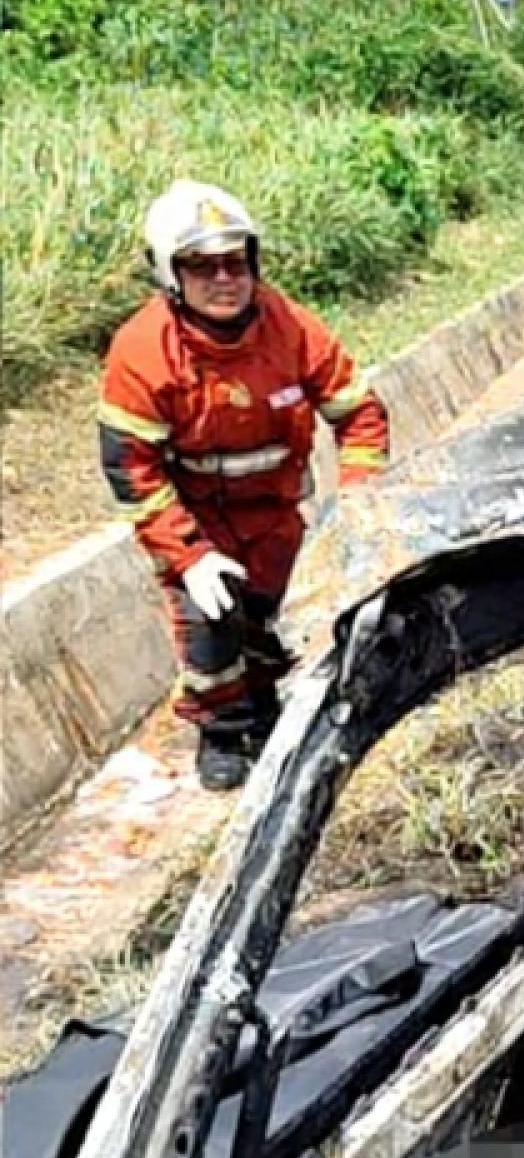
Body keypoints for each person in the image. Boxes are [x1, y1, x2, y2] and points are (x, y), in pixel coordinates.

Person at [99, 179, 390, 792]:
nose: (224, 279)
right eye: (202, 267)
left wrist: (359, 503)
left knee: (279, 619)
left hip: (274, 513)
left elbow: (360, 413)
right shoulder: (143, 352)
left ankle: (270, 710)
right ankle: (224, 730)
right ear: (171, 274)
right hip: (194, 520)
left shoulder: (290, 327)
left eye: (236, 263)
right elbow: (132, 468)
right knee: (209, 627)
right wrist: (189, 554)